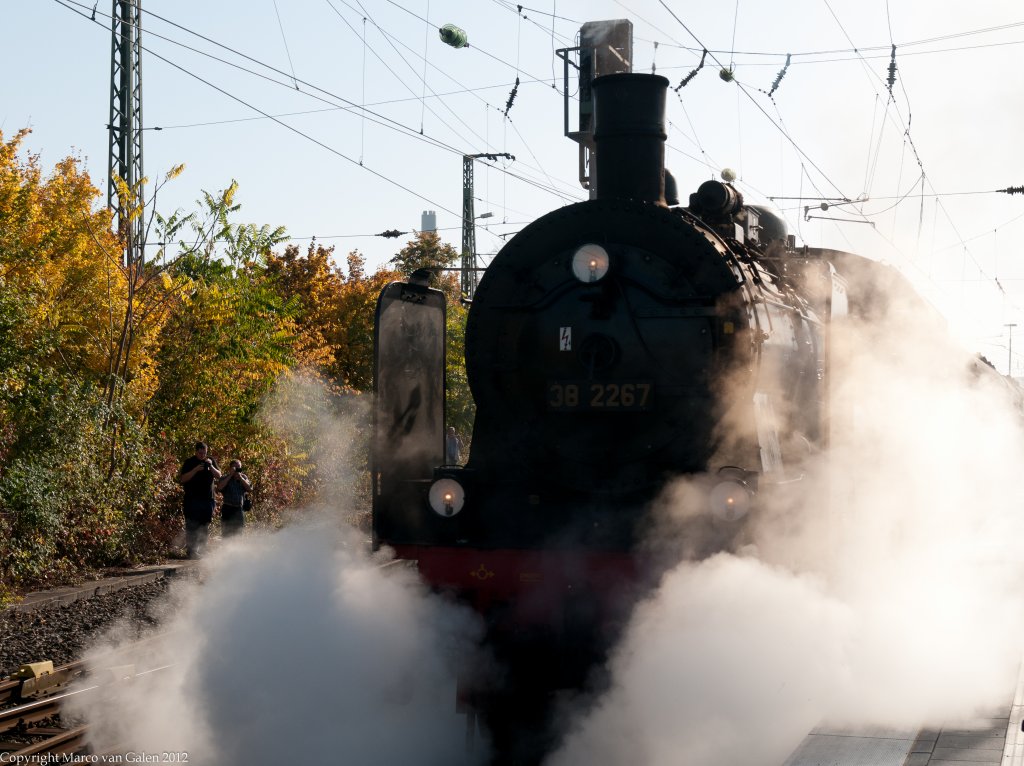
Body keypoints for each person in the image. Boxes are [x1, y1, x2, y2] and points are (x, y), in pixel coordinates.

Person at [177, 441, 221, 559]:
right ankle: (191, 551)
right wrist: (195, 470)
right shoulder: (189, 462)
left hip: (208, 499)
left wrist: (211, 465)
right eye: (200, 453)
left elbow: (219, 476)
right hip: (192, 499)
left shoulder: (210, 461)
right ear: (196, 451)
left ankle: (202, 550)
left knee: (204, 525)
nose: (202, 455)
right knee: (192, 524)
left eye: (204, 453)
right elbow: (183, 479)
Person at [217, 459, 252, 538]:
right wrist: (230, 475)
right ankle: (227, 549)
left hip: (239, 509)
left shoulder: (243, 477)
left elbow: (250, 489)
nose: (237, 470)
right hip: (227, 508)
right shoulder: (225, 478)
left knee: (239, 533)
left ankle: (237, 549)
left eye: (239, 468)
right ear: (230, 468)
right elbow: (219, 487)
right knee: (226, 533)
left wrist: (241, 478)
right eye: (235, 468)